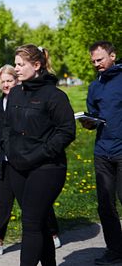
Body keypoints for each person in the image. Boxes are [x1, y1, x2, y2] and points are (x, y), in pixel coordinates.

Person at [0, 44, 75, 266]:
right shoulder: (14, 94)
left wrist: (42, 152)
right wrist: (9, 149)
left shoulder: (54, 96)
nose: (16, 69)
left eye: (21, 65)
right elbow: (6, 127)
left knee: (31, 223)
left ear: (37, 65)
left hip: (47, 168)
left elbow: (67, 131)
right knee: (40, 222)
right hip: (18, 168)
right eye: (15, 64)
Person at [0, 65, 61, 256]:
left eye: (10, 80)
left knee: (32, 202)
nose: (6, 85)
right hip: (4, 162)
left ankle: (52, 233)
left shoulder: (25, 101)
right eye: (3, 82)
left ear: (17, 81)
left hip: (24, 160)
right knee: (2, 202)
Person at [83, 41, 122, 265]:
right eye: (94, 61)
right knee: (105, 204)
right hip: (102, 151)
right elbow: (94, 115)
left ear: (113, 56)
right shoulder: (94, 86)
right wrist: (88, 122)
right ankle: (115, 251)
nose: (97, 64)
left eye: (100, 59)